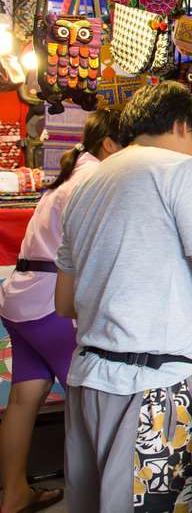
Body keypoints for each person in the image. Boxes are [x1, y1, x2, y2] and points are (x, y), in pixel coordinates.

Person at [54, 82, 192, 512]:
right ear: (183, 126)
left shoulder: (85, 183)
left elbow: (64, 303)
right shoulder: (181, 169)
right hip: (149, 387)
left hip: (87, 381)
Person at [0, 110, 122, 513]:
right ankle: (92, 502)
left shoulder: (75, 175)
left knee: (23, 398)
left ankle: (15, 493)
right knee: (89, 402)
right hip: (50, 302)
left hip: (21, 300)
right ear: (109, 145)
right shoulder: (95, 180)